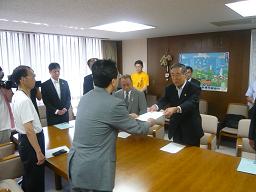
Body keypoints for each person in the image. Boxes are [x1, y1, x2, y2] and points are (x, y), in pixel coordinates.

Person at [68, 59, 157, 192]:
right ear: (114, 81)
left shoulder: (85, 97)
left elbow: (102, 118)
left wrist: (126, 118)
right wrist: (149, 122)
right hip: (96, 169)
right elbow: (138, 129)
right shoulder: (114, 103)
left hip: (76, 164)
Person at [149, 63, 204, 146]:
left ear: (185, 75)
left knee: (192, 156)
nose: (175, 78)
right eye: (172, 75)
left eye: (178, 75)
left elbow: (191, 103)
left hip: (191, 128)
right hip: (176, 127)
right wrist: (156, 106)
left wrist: (176, 108)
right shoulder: (170, 88)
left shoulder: (194, 88)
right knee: (176, 153)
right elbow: (164, 99)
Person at [11, 65, 45, 192]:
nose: (35, 79)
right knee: (35, 179)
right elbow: (29, 129)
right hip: (31, 142)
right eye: (33, 76)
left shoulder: (17, 95)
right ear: (23, 79)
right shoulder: (24, 100)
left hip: (25, 140)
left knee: (30, 176)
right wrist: (39, 152)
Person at [0, 67, 14, 144]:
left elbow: (11, 99)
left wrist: (8, 88)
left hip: (4, 126)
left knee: (5, 152)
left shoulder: (3, 86)